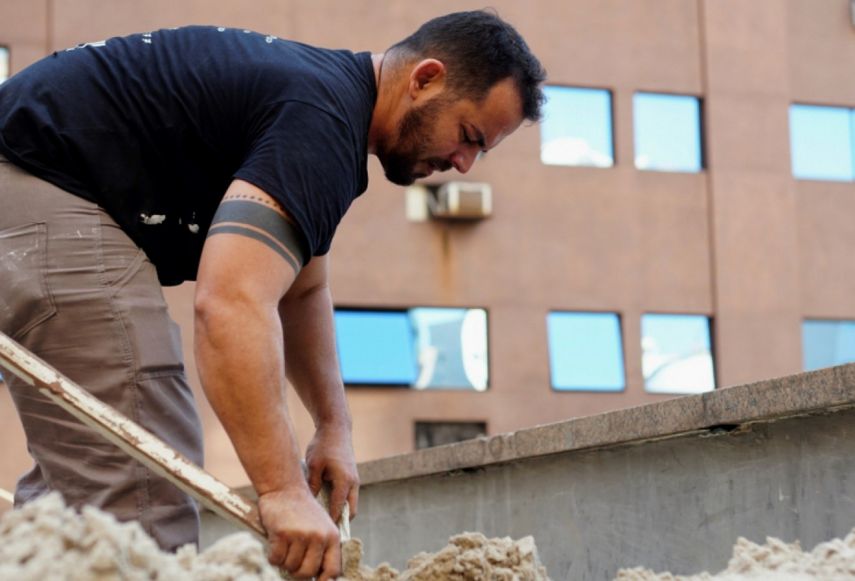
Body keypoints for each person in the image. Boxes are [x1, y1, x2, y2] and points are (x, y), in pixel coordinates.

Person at [0, 9, 545, 580]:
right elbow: (230, 302)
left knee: (86, 480)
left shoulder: (324, 106)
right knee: (142, 473)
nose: (463, 164)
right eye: (468, 136)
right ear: (425, 79)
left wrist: (333, 426)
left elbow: (303, 290)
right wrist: (282, 490)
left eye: (480, 152)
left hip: (27, 184)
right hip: (37, 182)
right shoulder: (321, 122)